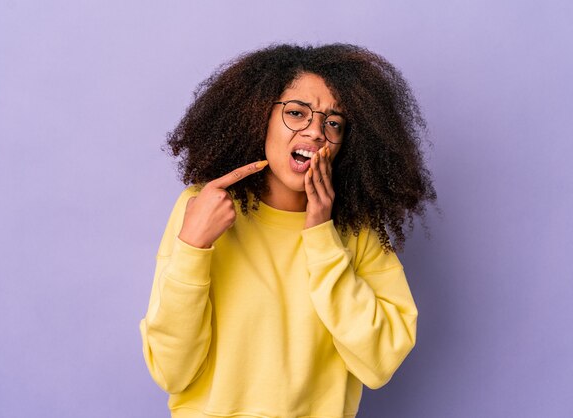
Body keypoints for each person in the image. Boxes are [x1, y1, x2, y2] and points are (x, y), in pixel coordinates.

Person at [140, 43, 436, 418]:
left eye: (333, 123)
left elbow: (379, 362)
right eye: (296, 113)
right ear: (257, 116)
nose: (315, 132)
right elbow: (171, 372)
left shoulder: (357, 230)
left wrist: (322, 237)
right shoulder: (200, 209)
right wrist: (193, 248)